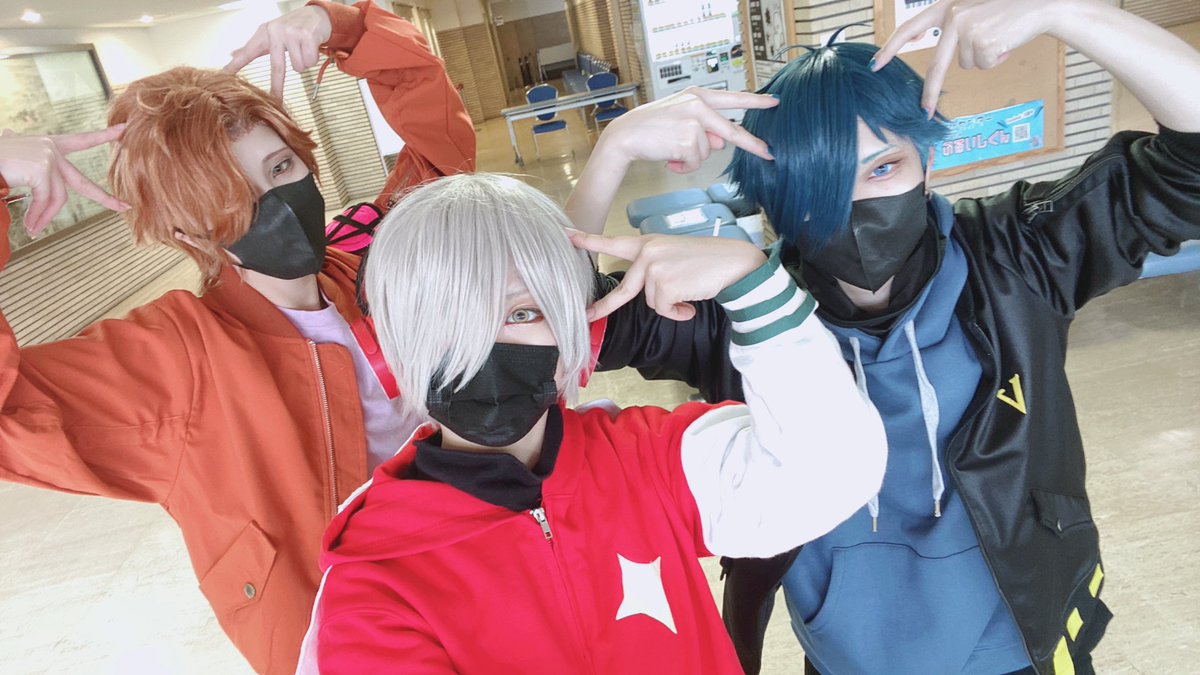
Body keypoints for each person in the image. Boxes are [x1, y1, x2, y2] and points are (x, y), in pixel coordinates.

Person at [574, 0, 1200, 673]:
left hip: (1021, 641)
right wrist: (612, 151)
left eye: (882, 168)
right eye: (816, 186)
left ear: (925, 162)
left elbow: (1188, 167)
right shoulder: (736, 314)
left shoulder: (1016, 257)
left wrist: (1066, 11)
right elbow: (541, 324)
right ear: (773, 200)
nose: (855, 209)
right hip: (844, 655)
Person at [0, 2, 473, 672]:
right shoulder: (175, 361)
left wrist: (342, 27)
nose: (275, 204)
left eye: (280, 168)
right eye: (230, 197)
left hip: (482, 570)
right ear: (189, 232)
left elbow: (443, 167)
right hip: (354, 640)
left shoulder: (374, 263)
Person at [293, 172, 887, 674]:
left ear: (578, 326)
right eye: (448, 319)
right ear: (394, 345)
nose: (482, 348)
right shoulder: (375, 577)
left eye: (523, 312)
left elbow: (828, 475)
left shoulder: (649, 458)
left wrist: (752, 286)